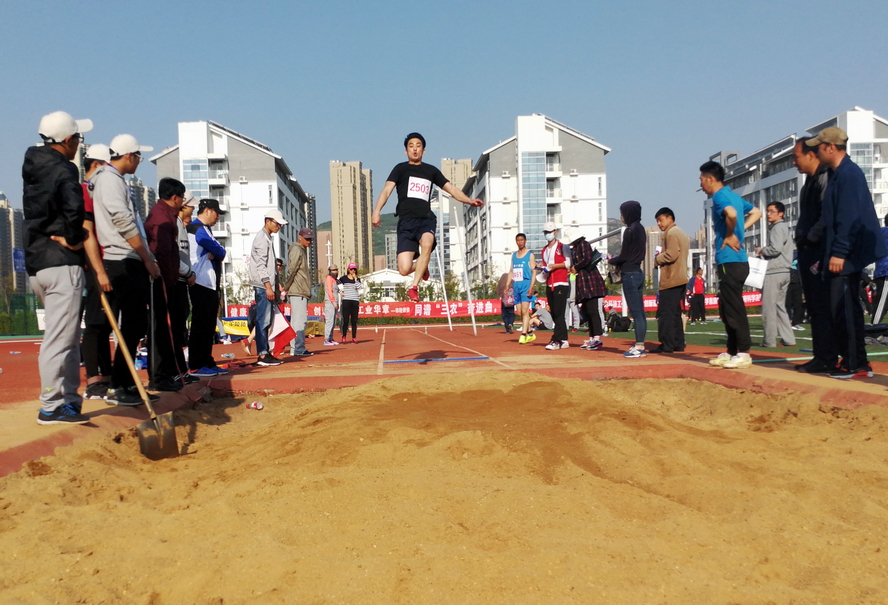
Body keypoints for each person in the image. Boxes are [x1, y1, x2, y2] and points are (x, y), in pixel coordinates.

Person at [23, 112, 91, 424]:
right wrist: (75, 240)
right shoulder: (65, 168)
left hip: (38, 264)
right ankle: (50, 405)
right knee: (60, 339)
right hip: (61, 264)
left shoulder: (33, 167)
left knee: (68, 336)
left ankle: (69, 401)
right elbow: (74, 208)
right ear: (67, 140)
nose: (78, 144)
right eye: (78, 138)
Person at [808, 127, 887, 379]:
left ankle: (856, 364)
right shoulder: (839, 174)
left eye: (819, 147)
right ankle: (852, 360)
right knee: (840, 308)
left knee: (846, 309)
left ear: (830, 147)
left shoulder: (849, 174)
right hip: (843, 252)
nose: (816, 152)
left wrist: (839, 252)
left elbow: (849, 217)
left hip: (849, 255)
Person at [371, 132, 483, 302]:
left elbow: (451, 189)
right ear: (406, 151)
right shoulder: (400, 169)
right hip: (406, 222)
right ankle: (421, 267)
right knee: (404, 269)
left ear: (424, 150)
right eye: (411, 146)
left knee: (427, 243)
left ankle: (414, 287)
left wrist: (469, 200)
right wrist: (377, 211)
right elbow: (386, 190)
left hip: (426, 220)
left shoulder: (431, 171)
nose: (415, 149)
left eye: (418, 146)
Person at [93, 133, 160, 405]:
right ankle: (118, 385)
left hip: (129, 258)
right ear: (130, 155)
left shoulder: (116, 180)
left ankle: (127, 383)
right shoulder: (109, 179)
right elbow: (121, 220)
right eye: (139, 157)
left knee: (136, 324)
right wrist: (146, 257)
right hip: (121, 259)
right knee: (131, 324)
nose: (140, 162)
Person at [700, 161, 762, 369]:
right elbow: (757, 212)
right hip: (735, 261)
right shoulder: (733, 196)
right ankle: (732, 351)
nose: (701, 185)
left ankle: (743, 352)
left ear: (710, 179)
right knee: (726, 307)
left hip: (731, 260)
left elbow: (732, 214)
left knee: (734, 307)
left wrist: (730, 234)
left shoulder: (719, 196)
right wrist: (739, 232)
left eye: (701, 180)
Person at [792, 136, 836, 373]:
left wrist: (811, 237)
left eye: (796, 157)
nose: (794, 162)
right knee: (814, 306)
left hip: (818, 250)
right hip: (807, 251)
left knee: (821, 305)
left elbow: (827, 215)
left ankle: (827, 357)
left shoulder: (824, 178)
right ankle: (821, 355)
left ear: (811, 155)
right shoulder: (808, 183)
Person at [144, 178, 191, 391]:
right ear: (174, 198)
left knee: (166, 328)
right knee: (161, 329)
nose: (183, 202)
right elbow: (161, 251)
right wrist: (167, 277)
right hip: (161, 280)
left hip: (168, 279)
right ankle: (158, 376)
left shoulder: (167, 216)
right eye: (182, 197)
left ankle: (168, 373)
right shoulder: (162, 218)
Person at [79, 143, 113, 401]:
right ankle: (92, 381)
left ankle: (107, 377)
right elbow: (86, 232)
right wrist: (97, 269)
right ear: (96, 165)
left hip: (106, 264)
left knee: (104, 324)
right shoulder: (83, 192)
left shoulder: (99, 192)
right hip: (92, 266)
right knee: (94, 323)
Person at [186, 199, 229, 377]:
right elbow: (220, 251)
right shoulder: (197, 228)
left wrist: (216, 252)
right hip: (200, 282)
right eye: (217, 213)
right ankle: (196, 364)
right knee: (201, 324)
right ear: (208, 210)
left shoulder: (204, 230)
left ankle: (207, 361)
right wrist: (216, 252)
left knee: (209, 325)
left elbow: (218, 252)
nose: (218, 217)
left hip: (209, 283)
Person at [608, 201, 647, 358]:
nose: (621, 216)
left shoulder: (630, 230)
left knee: (636, 312)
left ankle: (639, 346)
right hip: (638, 272)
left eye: (622, 212)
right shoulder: (641, 229)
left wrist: (612, 260)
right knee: (640, 312)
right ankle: (640, 344)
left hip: (629, 274)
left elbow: (624, 256)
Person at [755, 202, 796, 348]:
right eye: (768, 211)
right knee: (780, 307)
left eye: (772, 211)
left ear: (781, 214)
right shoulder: (784, 227)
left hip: (774, 271)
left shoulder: (778, 228)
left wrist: (762, 250)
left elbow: (775, 249)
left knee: (769, 308)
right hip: (784, 270)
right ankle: (789, 339)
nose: (768, 214)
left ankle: (769, 340)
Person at [248, 209, 286, 366]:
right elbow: (261, 265)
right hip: (263, 286)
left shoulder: (267, 238)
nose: (279, 227)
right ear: (268, 221)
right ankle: (263, 354)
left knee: (266, 320)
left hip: (266, 285)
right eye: (277, 224)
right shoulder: (262, 239)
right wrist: (268, 286)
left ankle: (265, 352)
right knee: (263, 320)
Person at [652, 207, 690, 354]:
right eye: (657, 221)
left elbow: (672, 254)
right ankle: (678, 343)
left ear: (670, 218)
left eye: (661, 220)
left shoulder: (671, 233)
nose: (659, 224)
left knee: (666, 314)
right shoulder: (680, 232)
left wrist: (657, 259)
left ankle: (666, 344)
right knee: (675, 314)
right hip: (680, 278)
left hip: (671, 279)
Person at [172, 192, 197, 380]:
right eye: (191, 206)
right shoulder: (173, 223)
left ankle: (181, 370)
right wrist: (187, 272)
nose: (193, 209)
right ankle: (176, 371)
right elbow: (172, 255)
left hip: (182, 279)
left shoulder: (181, 225)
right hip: (175, 280)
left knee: (180, 326)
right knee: (174, 328)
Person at [568, 230, 607, 351]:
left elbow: (587, 259)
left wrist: (576, 267)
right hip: (583, 280)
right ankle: (592, 338)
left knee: (593, 310)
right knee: (587, 311)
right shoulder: (575, 248)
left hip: (590, 280)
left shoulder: (584, 244)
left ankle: (597, 338)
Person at [536, 222, 572, 350]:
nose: (547, 234)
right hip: (549, 282)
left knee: (558, 312)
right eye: (545, 232)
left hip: (561, 283)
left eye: (549, 232)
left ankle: (557, 339)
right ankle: (563, 339)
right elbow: (546, 265)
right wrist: (542, 268)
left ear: (555, 232)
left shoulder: (562, 247)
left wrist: (555, 266)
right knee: (555, 313)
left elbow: (568, 263)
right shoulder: (544, 250)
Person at [282, 227, 314, 357]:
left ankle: (297, 347)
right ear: (300, 237)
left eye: (310, 239)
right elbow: (292, 270)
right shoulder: (296, 249)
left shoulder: (301, 250)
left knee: (298, 320)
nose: (309, 241)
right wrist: (286, 286)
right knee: (300, 321)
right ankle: (298, 348)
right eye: (307, 239)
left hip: (300, 290)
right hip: (298, 290)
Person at [506, 233, 536, 343]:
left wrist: (531, 286)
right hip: (516, 285)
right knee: (519, 312)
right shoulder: (514, 255)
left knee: (525, 310)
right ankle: (530, 332)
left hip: (526, 284)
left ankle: (523, 334)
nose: (520, 242)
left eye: (522, 240)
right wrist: (507, 285)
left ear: (525, 241)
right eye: (518, 240)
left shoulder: (530, 254)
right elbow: (511, 271)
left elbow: (534, 271)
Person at [338, 262, 363, 343]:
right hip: (346, 300)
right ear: (348, 269)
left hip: (355, 301)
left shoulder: (357, 279)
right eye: (351, 269)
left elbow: (359, 287)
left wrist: (355, 279)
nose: (353, 271)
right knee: (345, 320)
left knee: (354, 321)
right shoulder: (343, 279)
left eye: (354, 269)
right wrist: (340, 292)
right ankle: (344, 336)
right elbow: (337, 285)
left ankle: (354, 337)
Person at [871, 214, 888, 325]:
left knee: (882, 300)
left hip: (881, 270)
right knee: (883, 301)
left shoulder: (880, 233)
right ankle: (874, 326)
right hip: (886, 271)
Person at [323, 265, 341, 345]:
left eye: (336, 270)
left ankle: (330, 338)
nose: (335, 271)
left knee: (333, 322)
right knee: (329, 321)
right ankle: (326, 339)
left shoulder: (335, 280)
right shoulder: (329, 278)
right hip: (330, 303)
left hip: (335, 303)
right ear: (330, 271)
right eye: (333, 270)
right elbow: (330, 291)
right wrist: (334, 302)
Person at [785, 259, 805, 330]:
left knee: (798, 303)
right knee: (787, 304)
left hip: (797, 282)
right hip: (787, 283)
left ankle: (796, 322)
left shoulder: (798, 256)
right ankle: (787, 322)